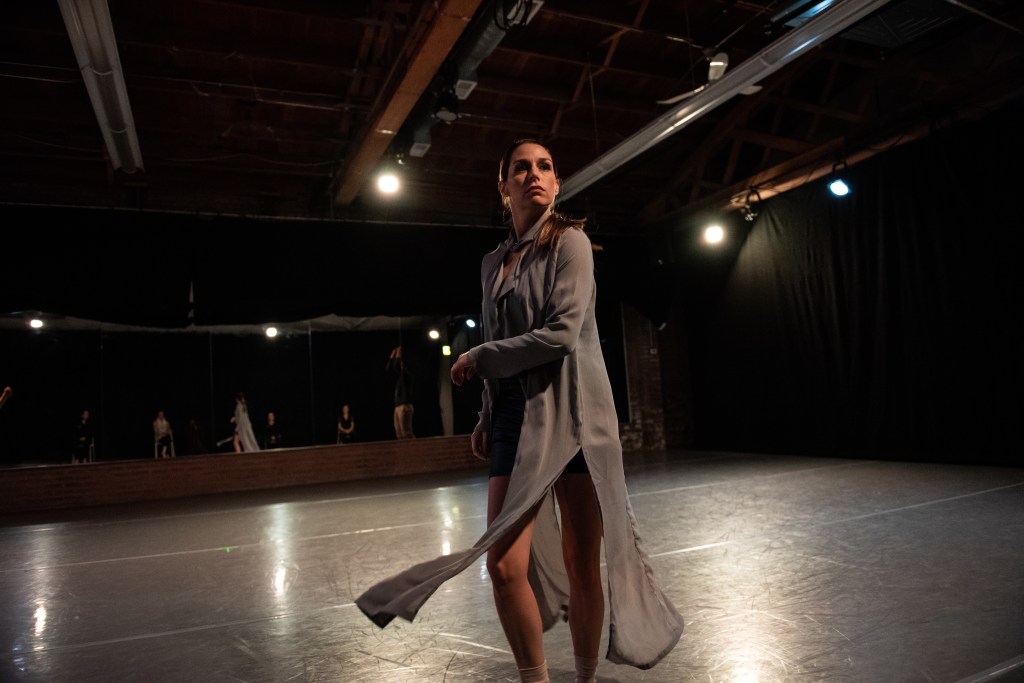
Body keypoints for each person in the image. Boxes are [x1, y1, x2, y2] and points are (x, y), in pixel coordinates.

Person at [356, 139, 683, 682]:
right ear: (503, 187)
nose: (534, 174)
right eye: (521, 168)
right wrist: (487, 413)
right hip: (513, 418)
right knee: (505, 568)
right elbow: (497, 333)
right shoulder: (491, 264)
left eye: (545, 167)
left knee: (583, 565)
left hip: (574, 416)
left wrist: (480, 359)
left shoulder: (571, 242)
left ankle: (583, 679)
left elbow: (559, 335)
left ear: (555, 184)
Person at [386, 346, 415, 439]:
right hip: (398, 406)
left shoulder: (407, 376)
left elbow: (396, 365)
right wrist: (393, 354)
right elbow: (389, 368)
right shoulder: (399, 378)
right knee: (399, 434)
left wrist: (398, 354)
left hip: (405, 406)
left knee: (406, 433)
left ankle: (415, 450)